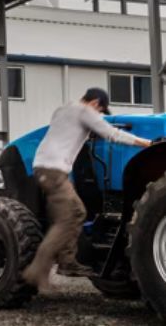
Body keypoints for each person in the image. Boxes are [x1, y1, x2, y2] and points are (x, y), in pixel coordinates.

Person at [22, 88, 152, 287]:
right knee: (68, 218)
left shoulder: (64, 110)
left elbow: (70, 132)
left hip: (46, 169)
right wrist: (145, 143)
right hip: (53, 171)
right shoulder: (85, 112)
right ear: (95, 103)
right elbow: (112, 134)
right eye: (100, 111)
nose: (99, 115)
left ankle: (67, 261)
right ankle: (38, 269)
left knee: (74, 213)